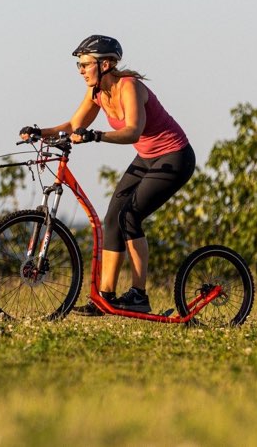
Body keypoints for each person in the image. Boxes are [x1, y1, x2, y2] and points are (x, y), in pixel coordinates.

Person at [19, 35, 195, 315]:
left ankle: (139, 295)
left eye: (85, 65)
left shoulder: (129, 87)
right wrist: (41, 132)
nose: (81, 71)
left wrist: (97, 135)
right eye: (78, 66)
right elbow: (73, 124)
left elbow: (133, 131)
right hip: (148, 158)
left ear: (107, 64)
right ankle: (105, 299)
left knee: (130, 216)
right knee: (112, 218)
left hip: (175, 157)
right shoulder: (96, 93)